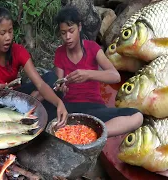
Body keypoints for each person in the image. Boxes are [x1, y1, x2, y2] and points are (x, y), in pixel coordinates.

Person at [53, 6, 143, 137]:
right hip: (70, 109)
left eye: (71, 31)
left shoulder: (92, 48)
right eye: (63, 33)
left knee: (137, 117)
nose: (67, 37)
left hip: (95, 108)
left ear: (79, 27)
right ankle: (87, 133)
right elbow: (57, 84)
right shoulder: (60, 53)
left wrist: (88, 74)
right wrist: (61, 88)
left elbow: (115, 76)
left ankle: (95, 135)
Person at [0, 6, 68, 128]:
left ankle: (32, 106)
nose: (8, 37)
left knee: (51, 78)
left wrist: (59, 103)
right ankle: (32, 104)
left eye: (10, 31)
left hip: (16, 97)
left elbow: (40, 83)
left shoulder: (18, 51)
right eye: (2, 33)